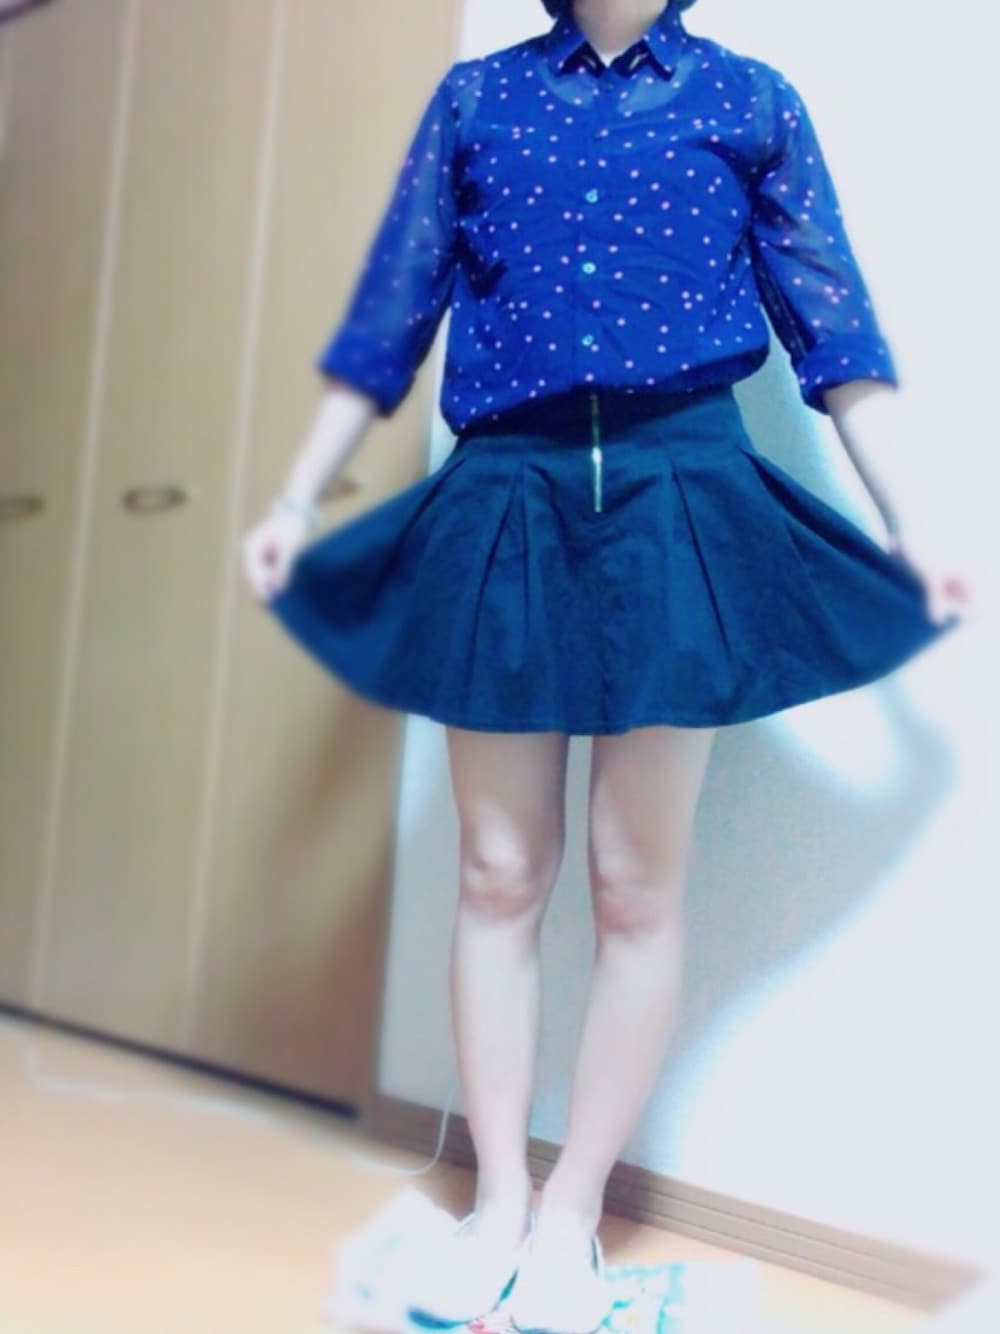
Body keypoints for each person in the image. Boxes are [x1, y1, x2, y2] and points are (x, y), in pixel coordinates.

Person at [241, 2, 973, 1330]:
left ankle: (572, 1214)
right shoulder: (478, 100)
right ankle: (496, 1205)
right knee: (496, 871)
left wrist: (915, 523)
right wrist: (295, 501)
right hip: (502, 491)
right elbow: (389, 316)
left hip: (681, 490)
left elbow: (837, 329)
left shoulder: (752, 99)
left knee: (636, 885)